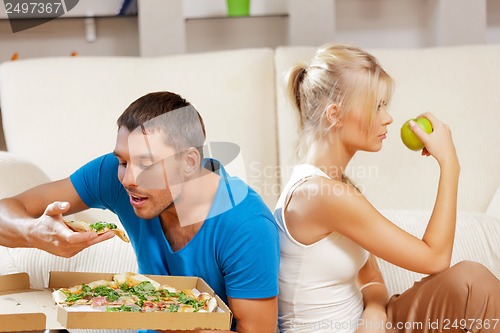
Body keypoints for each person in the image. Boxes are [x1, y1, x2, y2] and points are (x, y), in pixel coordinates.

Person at [0, 91, 280, 333]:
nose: (127, 179)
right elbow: (7, 209)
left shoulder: (247, 225)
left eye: (147, 164)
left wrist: (165, 312)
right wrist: (33, 233)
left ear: (189, 162)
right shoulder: (117, 176)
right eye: (123, 161)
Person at [274, 44, 500, 333]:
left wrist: (374, 311)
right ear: (335, 115)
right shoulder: (320, 195)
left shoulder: (336, 185)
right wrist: (450, 165)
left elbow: (370, 275)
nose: (388, 117)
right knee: (472, 281)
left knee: (469, 283)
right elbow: (435, 258)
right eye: (376, 105)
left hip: (370, 324)